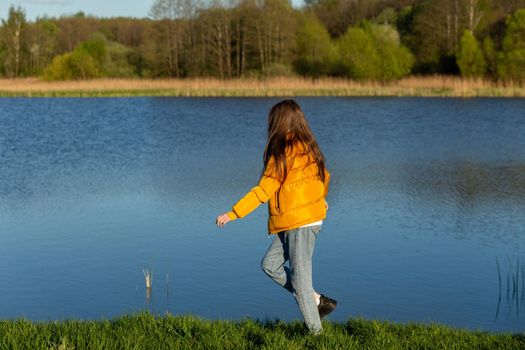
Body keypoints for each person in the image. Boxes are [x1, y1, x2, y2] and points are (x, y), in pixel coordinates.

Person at [215, 99, 336, 334]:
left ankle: (317, 335)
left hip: (301, 223)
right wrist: (321, 199)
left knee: (300, 281)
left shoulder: (282, 152)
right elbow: (325, 177)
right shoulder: (309, 147)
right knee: (270, 265)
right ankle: (316, 300)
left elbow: (263, 190)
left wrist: (234, 213)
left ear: (278, 123)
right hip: (295, 221)